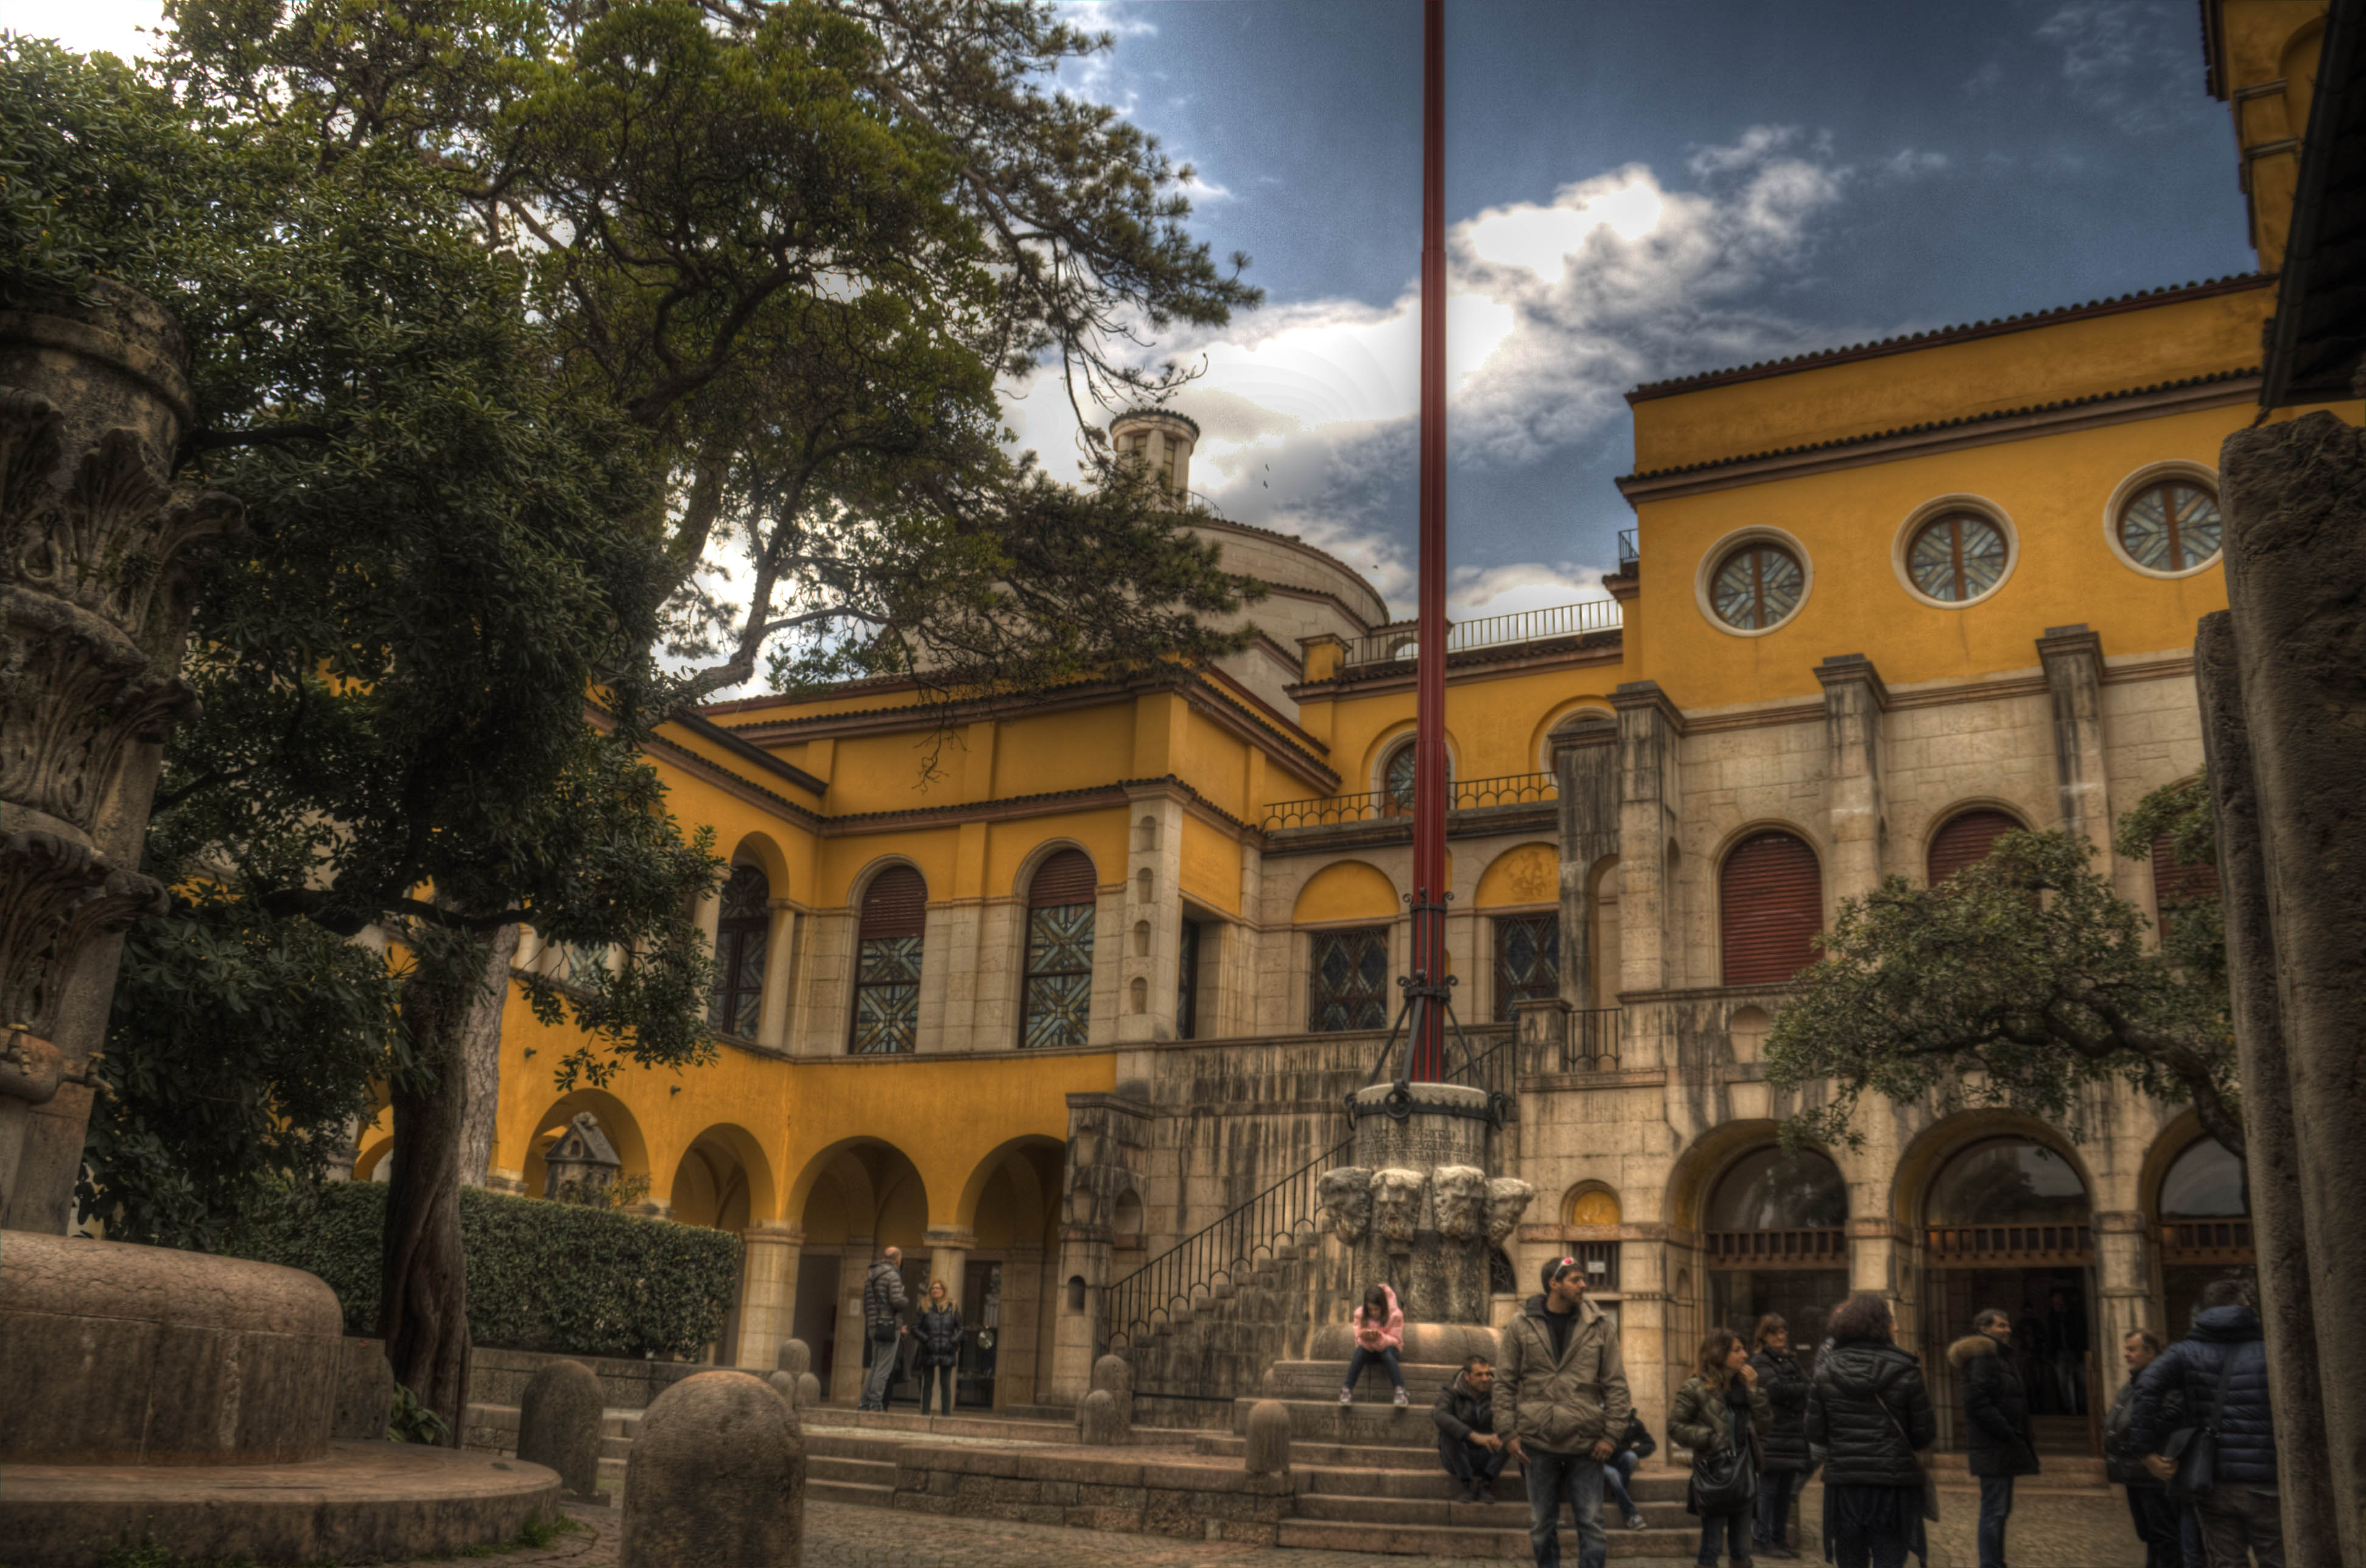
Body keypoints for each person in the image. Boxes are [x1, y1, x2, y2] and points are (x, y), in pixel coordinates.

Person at [2129, 1278, 2283, 1568]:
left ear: (2204, 1310)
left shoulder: (2183, 1352)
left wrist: (2145, 1453)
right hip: (2267, 1478)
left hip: (2214, 1479)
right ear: (2245, 1307)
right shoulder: (2271, 1350)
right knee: (2277, 1559)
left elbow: (2146, 1387)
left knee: (2226, 1561)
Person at [1498, 1255, 1633, 1568]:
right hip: (1537, 1442)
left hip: (1587, 1444)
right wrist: (1508, 1432)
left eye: (1583, 1279)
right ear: (1553, 1284)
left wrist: (1612, 1436)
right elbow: (1504, 1382)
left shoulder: (1599, 1326)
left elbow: (1617, 1386)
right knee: (1542, 1526)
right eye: (1576, 1280)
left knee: (1592, 1525)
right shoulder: (1521, 1324)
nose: (1584, 1285)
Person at [1805, 1292, 1937, 1568]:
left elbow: (1815, 1433)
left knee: (1851, 1561)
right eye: (1891, 1320)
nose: (1897, 1327)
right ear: (1880, 1325)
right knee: (1890, 1558)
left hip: (1845, 1486)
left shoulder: (1825, 1371)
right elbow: (1923, 1435)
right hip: (1892, 1488)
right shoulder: (1906, 1370)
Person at [1671, 1329, 1770, 1568]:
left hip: (1744, 1473)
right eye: (1737, 1350)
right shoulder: (1695, 1388)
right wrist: (1709, 1438)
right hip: (1713, 1475)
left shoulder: (1746, 1387)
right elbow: (1675, 1427)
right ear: (1719, 1353)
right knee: (1712, 1543)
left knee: (1742, 1547)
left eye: (1743, 1349)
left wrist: (1756, 1391)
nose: (1745, 1355)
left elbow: (1766, 1426)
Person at [1953, 1307, 2040, 1568]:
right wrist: (2008, 1431)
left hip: (2004, 1445)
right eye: (2001, 1325)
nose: (2008, 1329)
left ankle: (1996, 1562)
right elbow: (1977, 1403)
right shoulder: (1983, 1359)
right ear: (1984, 1329)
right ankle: (1991, 1564)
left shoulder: (2001, 1358)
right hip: (1994, 1446)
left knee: (2001, 1510)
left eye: (2007, 1324)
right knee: (1994, 1510)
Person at [2105, 1328, 2183, 1568]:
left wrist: (2135, 1435)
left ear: (2151, 1352)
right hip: (2134, 1472)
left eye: (2132, 1349)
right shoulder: (2132, 1384)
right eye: (2126, 1349)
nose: (2126, 1355)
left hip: (2153, 1472)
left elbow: (2172, 1414)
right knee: (2149, 1534)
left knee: (2164, 1536)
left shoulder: (2167, 1382)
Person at [1749, 1314, 1811, 1560]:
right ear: (1764, 1336)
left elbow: (1808, 1386)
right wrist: (1795, 1390)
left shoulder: (1790, 1360)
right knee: (1768, 1489)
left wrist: (1794, 1390)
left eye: (1783, 1332)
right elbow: (1774, 1391)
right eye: (1775, 1332)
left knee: (1785, 1491)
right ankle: (1762, 1540)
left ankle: (1779, 1539)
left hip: (1792, 1435)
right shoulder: (1761, 1361)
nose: (1780, 1336)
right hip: (1773, 1435)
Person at [1433, 1354, 1511, 1503]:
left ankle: (1486, 1483)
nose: (1485, 1379)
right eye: (1479, 1375)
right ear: (1467, 1376)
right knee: (1449, 1430)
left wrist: (1501, 1432)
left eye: (1488, 1374)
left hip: (1488, 1454)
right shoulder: (1452, 1390)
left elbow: (1511, 1413)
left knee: (1510, 1433)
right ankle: (1466, 1484)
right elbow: (1439, 1415)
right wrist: (1473, 1436)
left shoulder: (1498, 1391)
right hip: (1458, 1457)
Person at [858, 1245, 910, 1412]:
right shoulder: (892, 1276)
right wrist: (905, 1300)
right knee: (884, 1368)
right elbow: (896, 1301)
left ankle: (864, 1403)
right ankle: (876, 1404)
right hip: (888, 1325)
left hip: (874, 1325)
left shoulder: (871, 1275)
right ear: (898, 1260)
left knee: (874, 1366)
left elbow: (867, 1305)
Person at [1341, 1282, 1408, 1407]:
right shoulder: (1360, 1315)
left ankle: (1400, 1391)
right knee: (1360, 1351)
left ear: (1383, 1306)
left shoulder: (1395, 1315)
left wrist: (1379, 1338)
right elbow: (1358, 1339)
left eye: (1376, 1309)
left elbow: (1396, 1340)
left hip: (1390, 1351)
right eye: (1370, 1310)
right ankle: (1347, 1390)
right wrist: (1367, 1338)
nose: (1373, 1313)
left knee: (1387, 1353)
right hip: (1369, 1350)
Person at [1601, 1410, 1658, 1533]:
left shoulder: (1633, 1423)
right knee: (1613, 1475)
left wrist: (1634, 1452)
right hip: (1600, 1463)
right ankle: (1632, 1515)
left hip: (1621, 1463)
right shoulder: (1597, 1419)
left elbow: (1650, 1444)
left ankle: (1618, 1493)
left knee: (1631, 1458)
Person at [914, 1278, 963, 1418]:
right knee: (928, 1383)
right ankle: (925, 1413)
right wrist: (927, 1340)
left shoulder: (952, 1307)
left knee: (945, 1384)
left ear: (943, 1291)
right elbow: (915, 1328)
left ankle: (946, 1414)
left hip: (947, 1349)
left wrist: (952, 1341)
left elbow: (961, 1328)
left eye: (938, 1288)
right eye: (933, 1288)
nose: (935, 1290)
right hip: (929, 1349)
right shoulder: (924, 1306)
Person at [2047, 1287, 2090, 1415]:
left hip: (2075, 1351)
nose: (2056, 1303)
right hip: (2061, 1352)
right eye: (2054, 1301)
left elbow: (2080, 1333)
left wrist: (2081, 1351)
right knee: (2062, 1382)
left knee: (2083, 1381)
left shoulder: (2075, 1314)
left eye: (2058, 1300)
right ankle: (2069, 1407)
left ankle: (2083, 1406)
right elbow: (2051, 1335)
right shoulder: (2052, 1316)